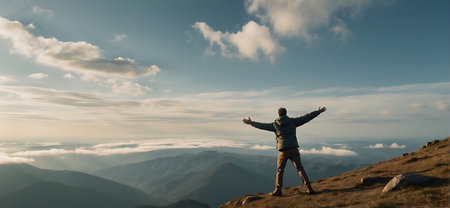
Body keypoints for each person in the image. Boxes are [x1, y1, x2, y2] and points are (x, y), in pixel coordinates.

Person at [243, 107, 326, 196]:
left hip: (283, 151)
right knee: (300, 168)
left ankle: (278, 190)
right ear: (286, 113)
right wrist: (318, 112)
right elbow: (306, 118)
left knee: (280, 171)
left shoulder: (275, 125)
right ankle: (309, 188)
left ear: (278, 114)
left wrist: (251, 123)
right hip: (294, 149)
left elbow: (262, 126)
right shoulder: (293, 121)